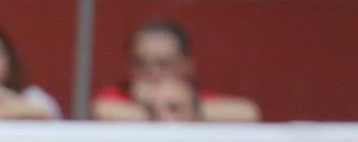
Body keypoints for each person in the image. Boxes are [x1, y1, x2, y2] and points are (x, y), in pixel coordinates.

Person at [91, 19, 259, 123]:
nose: (152, 73)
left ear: (186, 66)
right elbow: (103, 111)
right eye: (142, 64)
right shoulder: (118, 96)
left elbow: (247, 112)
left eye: (163, 64)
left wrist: (181, 108)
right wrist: (161, 108)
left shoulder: (196, 99)